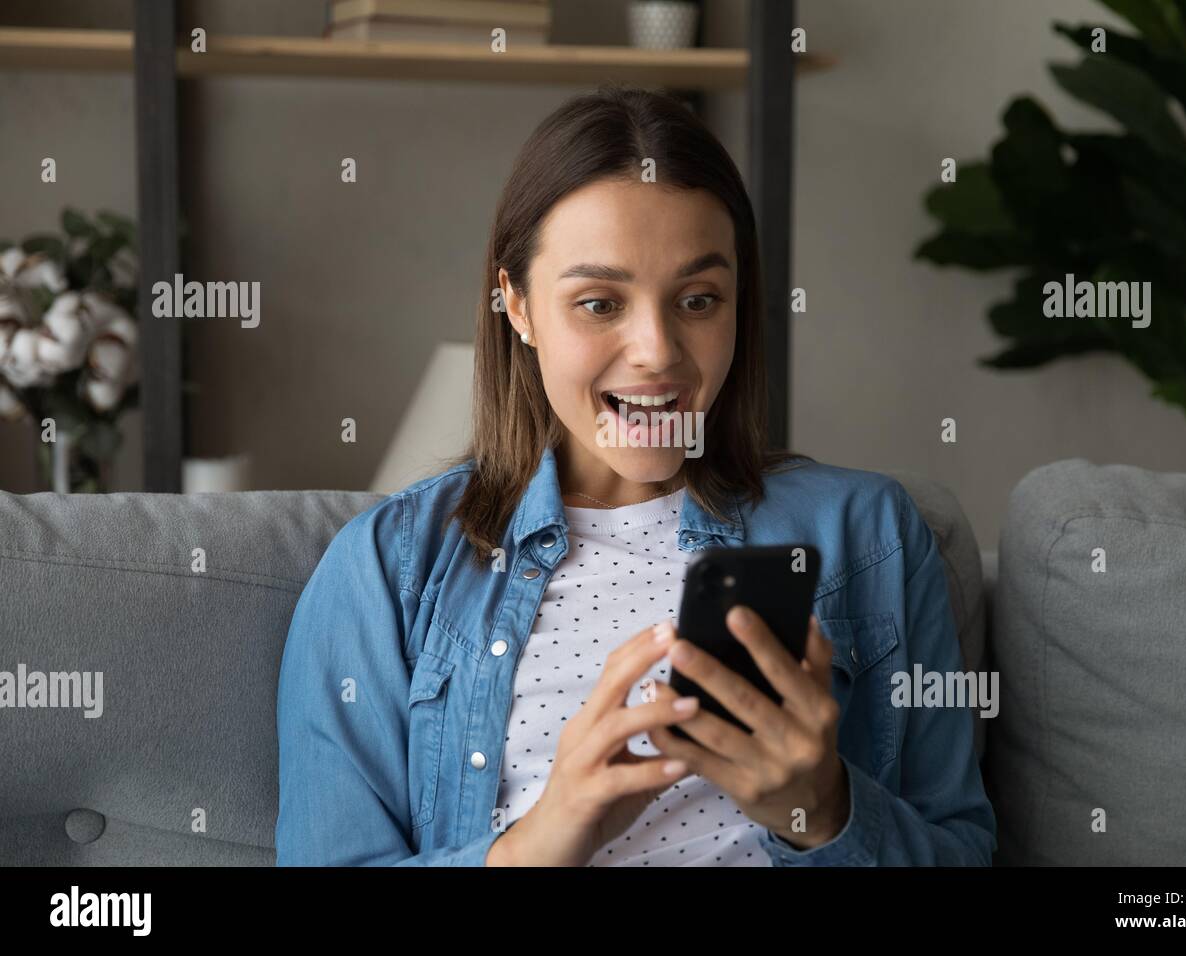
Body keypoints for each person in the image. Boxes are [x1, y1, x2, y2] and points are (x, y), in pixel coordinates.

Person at [275, 86, 995, 867]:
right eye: (598, 303)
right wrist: (543, 840)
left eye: (697, 299)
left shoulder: (870, 536)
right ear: (515, 305)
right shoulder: (386, 569)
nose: (656, 349)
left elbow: (962, 852)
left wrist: (823, 810)